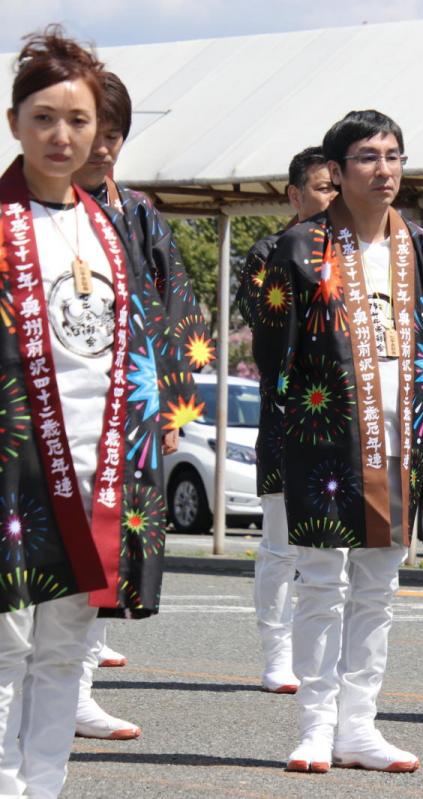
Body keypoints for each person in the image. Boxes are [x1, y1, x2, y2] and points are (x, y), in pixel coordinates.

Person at [0, 27, 204, 798]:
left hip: (97, 469)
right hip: (13, 471)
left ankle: (44, 783)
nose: (62, 136)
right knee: (5, 645)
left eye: (78, 120)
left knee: (63, 646)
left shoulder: (108, 229)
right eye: (45, 117)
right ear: (15, 121)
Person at [255, 109, 423, 773]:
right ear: (335, 173)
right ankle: (315, 724)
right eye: (368, 157)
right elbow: (273, 353)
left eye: (394, 155)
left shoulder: (422, 249)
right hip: (323, 443)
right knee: (319, 582)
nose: (385, 169)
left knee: (378, 590)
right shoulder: (299, 249)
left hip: (399, 446)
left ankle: (359, 724)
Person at [69, 68, 212, 743]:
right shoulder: (33, 211)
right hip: (54, 405)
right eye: (96, 129)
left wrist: (179, 410)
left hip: (129, 415)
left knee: (105, 552)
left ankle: (77, 685)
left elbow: (181, 310)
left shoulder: (139, 214)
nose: (103, 147)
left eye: (115, 134)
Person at [236, 146, 337, 695]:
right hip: (288, 415)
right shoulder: (269, 253)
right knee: (281, 544)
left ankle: (318, 653)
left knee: (335, 550)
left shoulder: (363, 250)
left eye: (337, 187)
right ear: (295, 195)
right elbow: (272, 328)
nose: (332, 199)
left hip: (344, 423)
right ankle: (276, 653)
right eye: (323, 188)